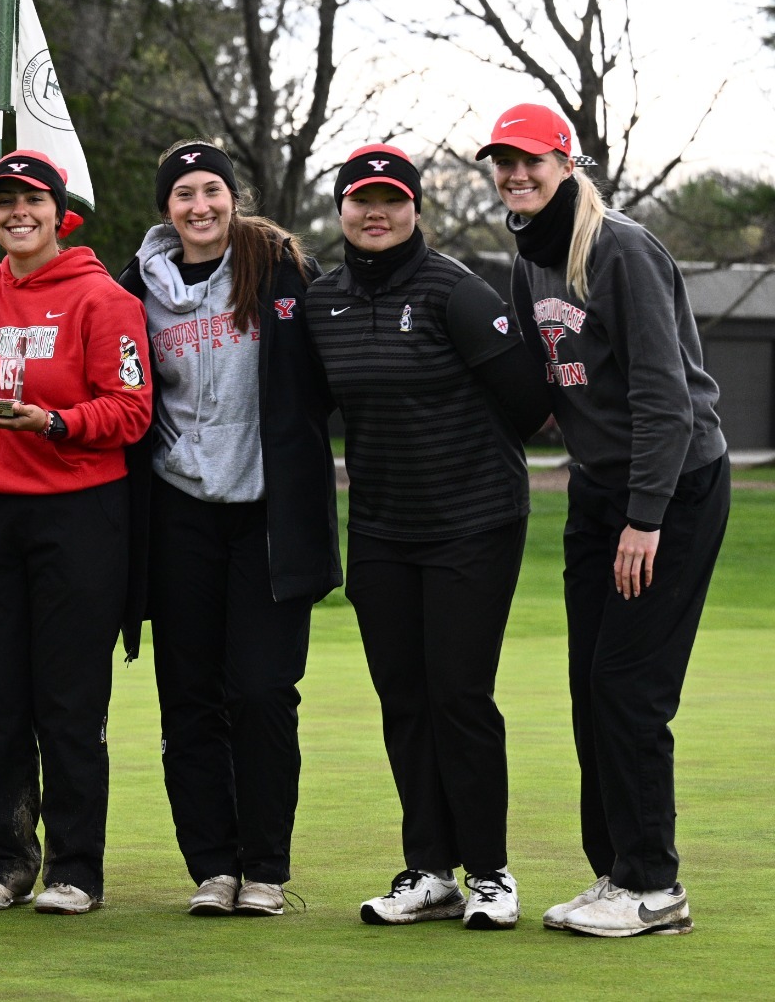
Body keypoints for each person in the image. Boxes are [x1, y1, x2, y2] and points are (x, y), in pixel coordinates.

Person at [482, 105, 728, 938]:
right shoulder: (527, 257)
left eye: (530, 163)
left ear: (565, 161)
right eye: (503, 164)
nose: (516, 176)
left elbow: (666, 394)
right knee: (592, 686)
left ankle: (655, 884)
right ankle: (614, 872)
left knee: (629, 686)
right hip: (597, 489)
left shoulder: (619, 246)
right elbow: (544, 384)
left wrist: (646, 516)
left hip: (672, 490)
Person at [305, 144, 551, 930]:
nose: (375, 212)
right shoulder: (323, 300)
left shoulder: (457, 291)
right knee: (404, 700)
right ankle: (430, 869)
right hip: (381, 526)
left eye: (392, 199)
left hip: (473, 520)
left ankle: (490, 872)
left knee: (458, 695)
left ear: (416, 207)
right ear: (340, 207)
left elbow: (526, 406)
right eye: (360, 199)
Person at [115, 140, 340, 918]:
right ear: (166, 208)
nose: (199, 205)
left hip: (268, 518)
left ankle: (266, 869)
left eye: (212, 190)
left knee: (263, 691)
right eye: (183, 195)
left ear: (232, 197)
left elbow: (331, 374)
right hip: (179, 513)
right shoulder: (133, 288)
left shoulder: (281, 271)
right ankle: (212, 866)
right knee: (189, 699)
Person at [0, 152, 152, 916]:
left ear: (59, 211)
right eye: (2, 202)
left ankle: (75, 867)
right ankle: (4, 858)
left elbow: (131, 409)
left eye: (30, 199)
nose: (15, 213)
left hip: (78, 513)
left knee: (66, 701)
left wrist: (56, 421)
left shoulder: (103, 299)